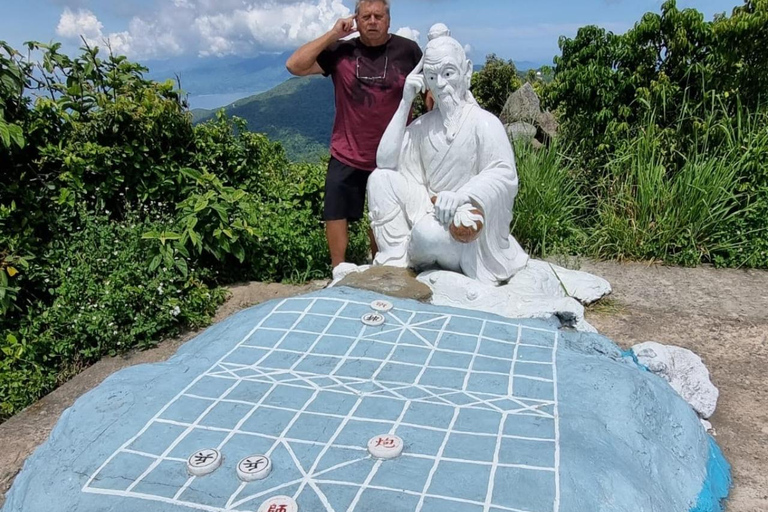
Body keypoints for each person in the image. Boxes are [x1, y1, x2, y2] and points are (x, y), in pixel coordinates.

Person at [367, 24, 529, 285]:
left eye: (448, 73)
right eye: (432, 76)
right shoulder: (422, 127)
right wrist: (405, 100)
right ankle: (396, 259)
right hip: (428, 211)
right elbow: (384, 162)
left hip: (466, 226)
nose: (440, 85)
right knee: (380, 179)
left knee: (428, 236)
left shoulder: (483, 123)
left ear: (466, 71)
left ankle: (422, 249)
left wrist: (461, 196)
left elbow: (503, 174)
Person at [285, 0, 422, 278]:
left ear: (389, 20)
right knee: (335, 211)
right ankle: (338, 271)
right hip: (347, 151)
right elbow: (295, 65)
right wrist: (333, 34)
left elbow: (430, 90)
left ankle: (382, 270)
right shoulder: (340, 50)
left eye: (378, 16)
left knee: (383, 217)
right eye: (366, 16)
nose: (372, 21)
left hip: (393, 155)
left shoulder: (408, 51)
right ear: (355, 20)